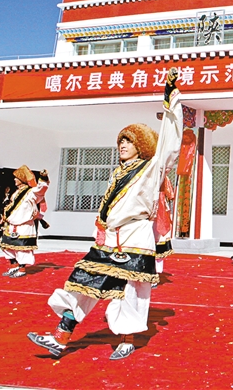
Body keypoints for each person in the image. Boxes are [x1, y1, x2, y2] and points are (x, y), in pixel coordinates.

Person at [27, 67, 183, 360]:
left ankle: (127, 339)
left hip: (136, 236)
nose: (122, 145)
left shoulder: (152, 169)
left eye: (129, 141)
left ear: (142, 146)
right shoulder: (117, 173)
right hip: (110, 237)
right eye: (121, 140)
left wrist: (171, 99)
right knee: (84, 282)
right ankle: (60, 337)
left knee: (131, 290)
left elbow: (170, 142)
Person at [0, 166, 49, 278]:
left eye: (16, 178)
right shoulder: (16, 192)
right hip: (12, 225)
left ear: (22, 179)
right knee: (6, 246)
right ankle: (14, 267)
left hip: (24, 225)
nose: (14, 180)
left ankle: (22, 269)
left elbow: (42, 188)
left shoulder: (32, 192)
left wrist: (44, 177)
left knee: (22, 249)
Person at [153, 174, 176, 285]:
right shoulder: (162, 176)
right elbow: (171, 194)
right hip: (157, 211)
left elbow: (170, 194)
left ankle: (154, 273)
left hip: (158, 212)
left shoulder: (162, 177)